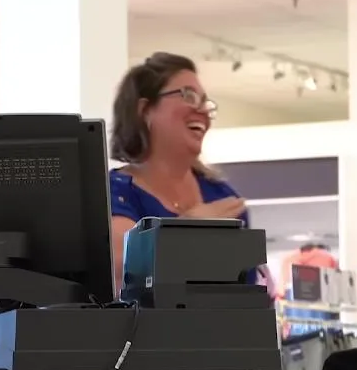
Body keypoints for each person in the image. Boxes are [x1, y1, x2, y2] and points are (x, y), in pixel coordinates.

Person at [107, 53, 267, 292]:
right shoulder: (115, 191)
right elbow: (123, 268)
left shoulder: (222, 195)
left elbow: (244, 292)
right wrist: (187, 233)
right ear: (145, 109)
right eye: (188, 96)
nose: (202, 111)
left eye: (205, 102)